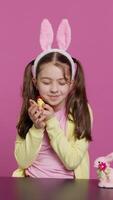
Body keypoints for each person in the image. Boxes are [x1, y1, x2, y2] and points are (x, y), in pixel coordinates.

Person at [13, 19, 93, 179]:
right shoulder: (31, 112)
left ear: (72, 83)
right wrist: (36, 127)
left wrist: (51, 122)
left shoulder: (82, 111)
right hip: (31, 183)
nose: (54, 89)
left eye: (62, 82)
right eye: (46, 82)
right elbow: (22, 162)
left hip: (70, 186)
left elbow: (72, 161)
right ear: (35, 82)